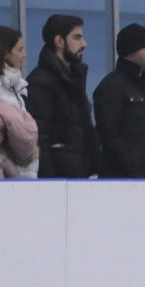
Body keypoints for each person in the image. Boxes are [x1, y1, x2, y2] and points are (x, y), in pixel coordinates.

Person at [26, 14, 100, 179]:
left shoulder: (72, 79)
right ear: (59, 41)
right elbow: (39, 137)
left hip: (77, 176)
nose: (84, 44)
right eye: (77, 38)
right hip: (59, 182)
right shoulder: (40, 82)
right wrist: (50, 180)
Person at [92, 23, 145, 180]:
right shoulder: (111, 86)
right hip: (122, 179)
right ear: (131, 49)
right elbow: (108, 134)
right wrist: (131, 165)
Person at [0, 26, 38, 178]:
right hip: (6, 167)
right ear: (5, 53)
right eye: (19, 49)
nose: (24, 55)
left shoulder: (18, 86)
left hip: (24, 165)